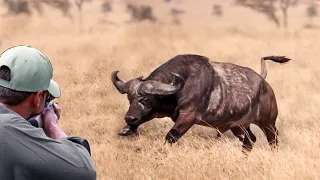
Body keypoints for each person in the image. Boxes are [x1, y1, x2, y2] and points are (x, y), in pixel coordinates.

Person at [0, 45, 96, 180]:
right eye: (46, 99)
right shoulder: (8, 128)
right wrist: (52, 125)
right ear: (37, 98)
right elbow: (84, 170)